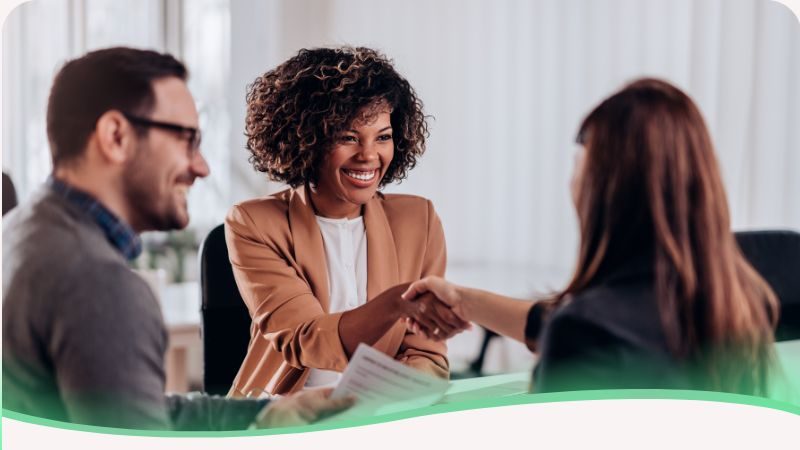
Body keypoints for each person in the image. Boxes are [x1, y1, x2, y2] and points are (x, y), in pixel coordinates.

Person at [2, 47, 352, 430]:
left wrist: (264, 414)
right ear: (115, 136)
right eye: (187, 139)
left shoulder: (23, 228)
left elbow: (125, 404)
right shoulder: (98, 284)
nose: (201, 167)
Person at [403, 78, 779, 395]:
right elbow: (580, 325)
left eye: (580, 165)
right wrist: (464, 300)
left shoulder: (588, 331)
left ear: (606, 189)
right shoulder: (733, 303)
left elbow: (583, 331)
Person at [226, 47, 466, 397]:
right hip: (283, 413)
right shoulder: (254, 223)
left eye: (383, 137)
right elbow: (305, 338)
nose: (369, 155)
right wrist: (397, 302)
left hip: (377, 413)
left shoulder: (420, 221)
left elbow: (425, 353)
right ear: (307, 139)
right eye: (348, 137)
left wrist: (383, 406)